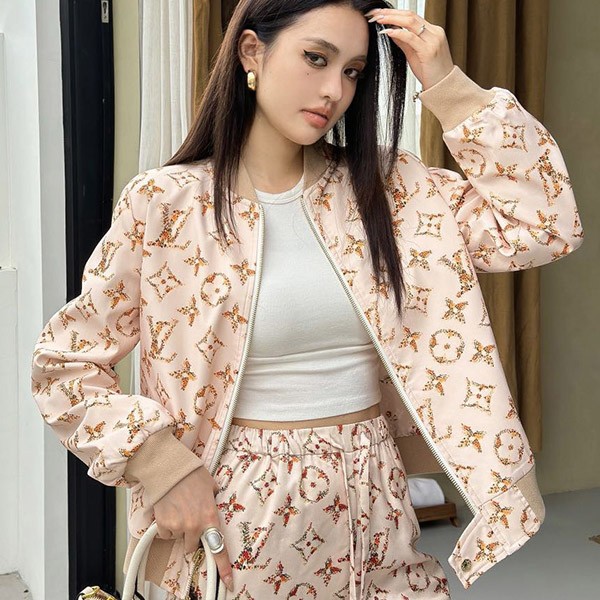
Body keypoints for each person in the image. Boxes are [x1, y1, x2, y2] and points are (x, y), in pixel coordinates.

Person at [31, 1, 584, 599]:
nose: (334, 91)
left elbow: (544, 225)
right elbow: (64, 364)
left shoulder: (393, 190)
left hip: (377, 496)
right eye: (316, 58)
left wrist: (447, 83)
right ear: (252, 52)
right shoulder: (168, 204)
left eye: (352, 72)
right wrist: (163, 467)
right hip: (239, 510)